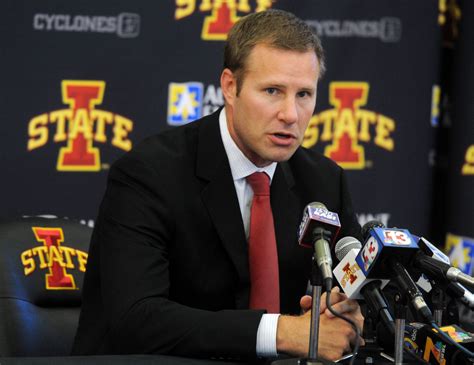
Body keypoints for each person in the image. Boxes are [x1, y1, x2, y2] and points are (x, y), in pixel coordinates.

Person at [72, 9, 364, 361]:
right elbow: (136, 319)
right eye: (272, 91)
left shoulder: (323, 180)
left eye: (304, 94)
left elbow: (355, 290)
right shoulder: (149, 173)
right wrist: (283, 332)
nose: (291, 114)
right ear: (229, 86)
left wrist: (349, 313)